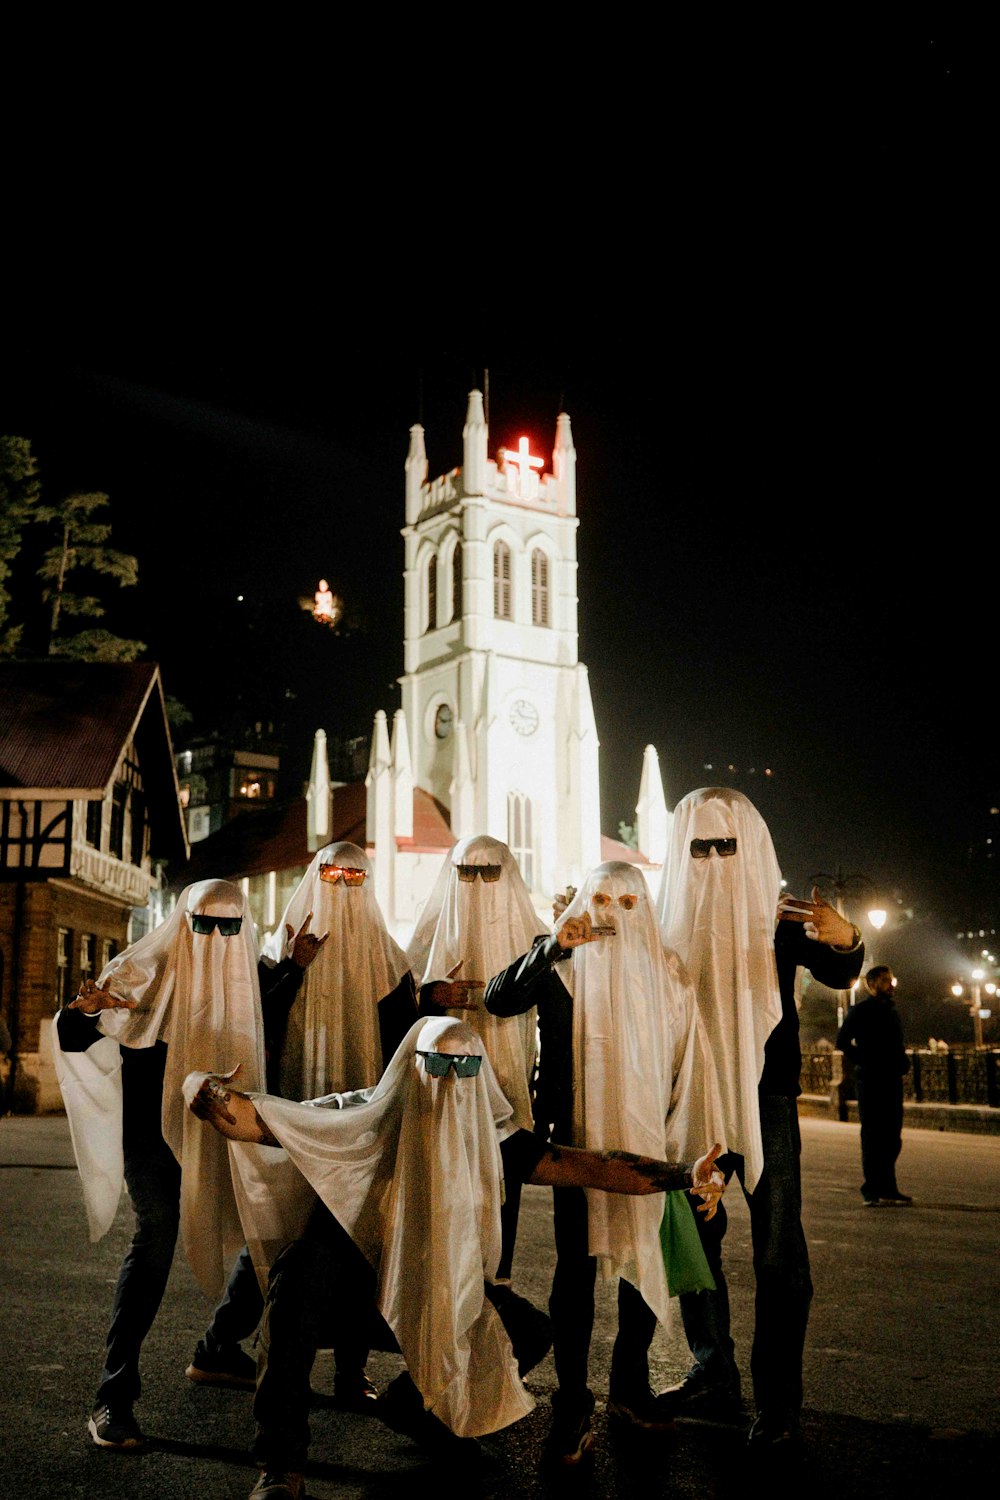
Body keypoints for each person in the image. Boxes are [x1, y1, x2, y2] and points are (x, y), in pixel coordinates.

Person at [185, 1015, 725, 1500]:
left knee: (529, 1332)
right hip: (347, 1302)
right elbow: (250, 1119)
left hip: (433, 1293)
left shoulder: (491, 1138)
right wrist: (203, 1088)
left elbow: (588, 1166)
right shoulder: (357, 1118)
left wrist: (683, 1175)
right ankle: (280, 1468)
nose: (449, 1079)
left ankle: (414, 1406)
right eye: (436, 1063)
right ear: (412, 1063)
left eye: (464, 1067)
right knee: (298, 1272)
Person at [53, 878, 321, 1451]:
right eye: (206, 925)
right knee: (156, 1237)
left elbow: (264, 1013)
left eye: (231, 928)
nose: (218, 938)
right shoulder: (140, 973)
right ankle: (113, 1397)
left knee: (266, 1220)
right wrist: (81, 1010)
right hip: (152, 1140)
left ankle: (221, 1346)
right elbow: (75, 1036)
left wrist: (294, 967)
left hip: (216, 1128)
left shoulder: (241, 973)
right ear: (183, 921)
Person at [484, 860, 723, 1462]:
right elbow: (498, 998)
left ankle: (628, 1384)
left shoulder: (669, 975)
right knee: (576, 1266)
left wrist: (684, 1146)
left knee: (643, 1260)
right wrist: (549, 946)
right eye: (602, 901)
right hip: (577, 1149)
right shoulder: (561, 967)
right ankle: (571, 1399)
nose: (613, 915)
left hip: (650, 1147)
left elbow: (688, 1067)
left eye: (628, 902)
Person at [656, 788, 865, 1451]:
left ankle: (779, 1400)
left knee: (779, 1254)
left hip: (766, 1103)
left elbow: (837, 968)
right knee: (693, 1245)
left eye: (728, 847)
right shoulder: (662, 928)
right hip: (689, 1103)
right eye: (701, 848)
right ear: (680, 852)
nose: (716, 861)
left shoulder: (774, 924)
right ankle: (712, 1369)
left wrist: (849, 940)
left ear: (748, 848)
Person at [407, 834, 544, 1280]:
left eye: (489, 873)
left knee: (504, 1176)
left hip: (508, 1077)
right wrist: (432, 995)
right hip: (442, 1083)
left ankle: (494, 1280)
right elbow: (399, 1002)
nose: (477, 883)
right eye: (467, 872)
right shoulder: (430, 935)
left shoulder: (532, 934)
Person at [836, 966, 912, 1206]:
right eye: (886, 981)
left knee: (892, 1136)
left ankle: (888, 1186)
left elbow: (897, 1043)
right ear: (872, 984)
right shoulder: (861, 1011)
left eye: (891, 979)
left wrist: (902, 1061)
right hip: (870, 1081)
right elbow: (842, 1041)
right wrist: (864, 1060)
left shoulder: (892, 1011)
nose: (891, 985)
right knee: (872, 1135)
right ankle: (871, 1188)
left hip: (891, 1079)